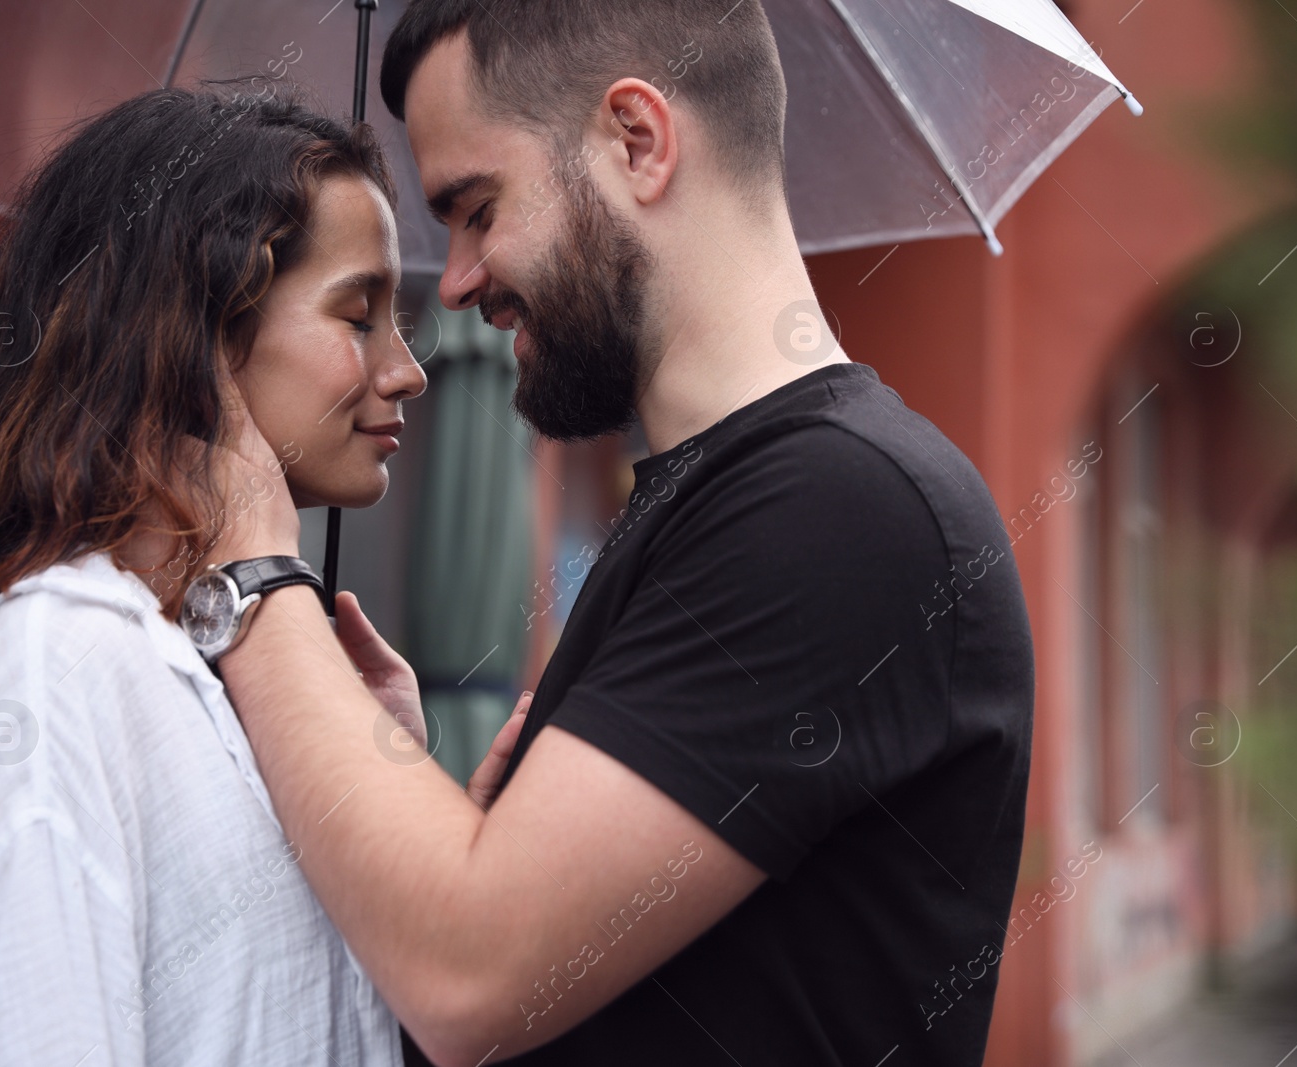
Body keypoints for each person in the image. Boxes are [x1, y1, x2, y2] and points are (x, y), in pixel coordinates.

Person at [205, 2, 1035, 1065]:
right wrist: (407, 797)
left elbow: (470, 973)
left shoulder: (839, 508)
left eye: (476, 207)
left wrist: (254, 574)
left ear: (636, 141)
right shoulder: (723, 492)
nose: (455, 282)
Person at [0, 77, 521, 1066]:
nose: (407, 368)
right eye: (359, 314)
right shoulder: (60, 672)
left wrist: (391, 797)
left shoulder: (241, 678)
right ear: (200, 329)